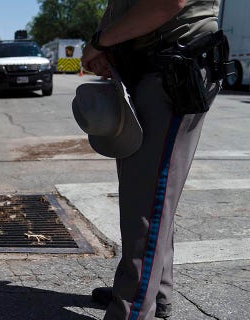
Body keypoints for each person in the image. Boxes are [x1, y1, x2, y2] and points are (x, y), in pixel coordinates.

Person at [81, 1, 223, 319]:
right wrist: (107, 45)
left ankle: (130, 309)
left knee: (148, 205)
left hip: (173, 64)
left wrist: (100, 42)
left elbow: (169, 2)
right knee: (149, 197)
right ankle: (154, 293)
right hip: (150, 65)